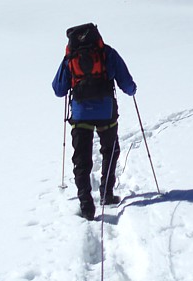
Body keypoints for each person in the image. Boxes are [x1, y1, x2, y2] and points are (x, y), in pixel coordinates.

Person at [52, 23, 137, 220]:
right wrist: (132, 89)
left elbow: (58, 90)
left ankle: (86, 206)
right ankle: (106, 194)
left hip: (81, 115)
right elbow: (126, 82)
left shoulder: (70, 57)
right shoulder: (106, 52)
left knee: (81, 160)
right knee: (110, 151)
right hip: (106, 113)